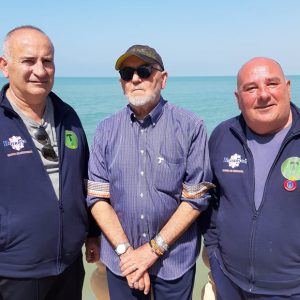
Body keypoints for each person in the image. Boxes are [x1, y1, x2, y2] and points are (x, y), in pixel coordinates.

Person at [87, 44, 214, 300]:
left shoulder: (191, 127)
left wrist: (150, 252)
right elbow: (97, 198)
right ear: (121, 83)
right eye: (126, 73)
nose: (135, 79)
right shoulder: (105, 130)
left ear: (163, 79)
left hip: (174, 261)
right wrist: (128, 254)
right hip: (122, 263)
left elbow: (194, 199)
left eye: (144, 71)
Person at [0, 25, 100, 300]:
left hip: (68, 266)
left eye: (47, 61)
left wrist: (92, 233)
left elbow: (85, 179)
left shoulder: (68, 116)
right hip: (13, 272)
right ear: (4, 66)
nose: (40, 70)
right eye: (28, 61)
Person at [204, 57, 300, 299]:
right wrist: (214, 254)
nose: (263, 95)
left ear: (287, 88)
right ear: (238, 99)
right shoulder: (222, 136)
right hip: (230, 281)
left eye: (272, 84)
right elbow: (211, 200)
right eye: (251, 88)